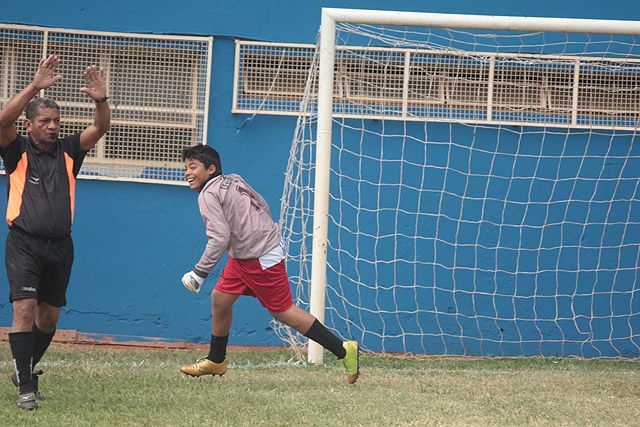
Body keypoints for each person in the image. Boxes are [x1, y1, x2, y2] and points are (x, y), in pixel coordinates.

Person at [179, 144, 359, 385]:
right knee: (220, 298)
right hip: (251, 252)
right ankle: (216, 359)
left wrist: (199, 272)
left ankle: (344, 350)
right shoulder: (234, 179)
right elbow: (263, 204)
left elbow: (219, 237)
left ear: (211, 169)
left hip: (258, 256)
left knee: (282, 311)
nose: (188, 172)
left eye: (193, 167)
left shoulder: (207, 195)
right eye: (186, 168)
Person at [0, 55, 110, 410]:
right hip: (25, 244)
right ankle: (26, 389)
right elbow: (2, 121)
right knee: (24, 309)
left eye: (56, 121)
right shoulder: (16, 151)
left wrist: (100, 100)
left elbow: (101, 128)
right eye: (44, 121)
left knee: (49, 317)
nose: (52, 126)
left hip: (61, 247)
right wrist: (34, 86)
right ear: (29, 124)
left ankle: (25, 368)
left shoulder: (69, 151)